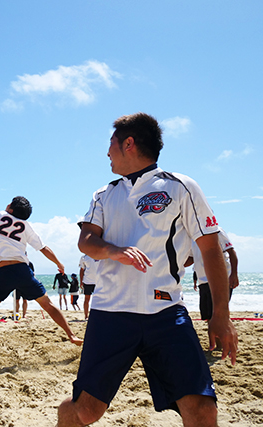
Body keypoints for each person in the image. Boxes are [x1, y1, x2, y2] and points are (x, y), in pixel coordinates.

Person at [57, 113, 238, 427]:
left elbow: (211, 249)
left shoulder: (181, 186)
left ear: (129, 143)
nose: (107, 152)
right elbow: (86, 241)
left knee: (202, 410)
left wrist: (221, 313)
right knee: (84, 410)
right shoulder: (104, 194)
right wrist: (116, 251)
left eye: (111, 143)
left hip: (166, 313)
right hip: (110, 313)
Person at [0, 165, 82, 353]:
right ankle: (71, 334)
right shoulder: (26, 226)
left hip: (3, 272)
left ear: (10, 207)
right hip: (22, 271)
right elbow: (43, 248)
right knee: (48, 305)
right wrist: (58, 263)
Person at [186, 227, 239, 321]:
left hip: (219, 280)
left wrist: (234, 274)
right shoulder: (193, 237)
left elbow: (231, 252)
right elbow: (191, 258)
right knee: (206, 316)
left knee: (217, 316)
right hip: (203, 281)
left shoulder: (216, 231)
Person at [78, 255, 98, 320]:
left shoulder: (99, 255)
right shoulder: (84, 257)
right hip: (87, 281)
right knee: (87, 299)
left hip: (98, 281)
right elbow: (81, 270)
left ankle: (97, 315)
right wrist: (81, 281)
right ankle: (86, 316)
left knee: (98, 300)